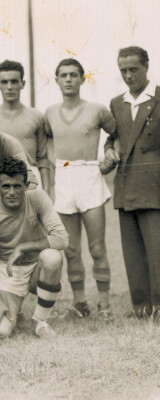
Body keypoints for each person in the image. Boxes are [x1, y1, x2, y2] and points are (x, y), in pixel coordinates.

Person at [45, 58, 116, 321]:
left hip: (89, 176)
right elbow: (47, 140)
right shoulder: (50, 112)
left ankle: (105, 304)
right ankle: (80, 304)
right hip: (64, 178)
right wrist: (54, 167)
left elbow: (115, 134)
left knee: (97, 248)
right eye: (63, 75)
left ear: (82, 79)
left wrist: (109, 153)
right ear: (56, 80)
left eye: (73, 75)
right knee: (71, 249)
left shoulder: (97, 109)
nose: (68, 79)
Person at [0, 157, 67, 337]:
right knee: (0, 332)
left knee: (53, 257)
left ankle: (40, 321)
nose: (12, 192)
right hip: (9, 272)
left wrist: (22, 248)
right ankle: (13, 308)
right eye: (6, 186)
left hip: (37, 268)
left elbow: (62, 239)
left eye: (17, 186)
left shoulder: (38, 197)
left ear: (25, 184)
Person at [104, 46, 160, 319]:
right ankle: (141, 307)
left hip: (154, 187)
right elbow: (111, 137)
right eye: (123, 70)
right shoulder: (117, 103)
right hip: (125, 187)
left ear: (147, 67)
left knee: (157, 250)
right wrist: (108, 152)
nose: (128, 75)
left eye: (133, 69)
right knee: (133, 253)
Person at [0, 60, 50, 192]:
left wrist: (46, 190)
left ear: (22, 84)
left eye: (14, 81)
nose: (9, 87)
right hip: (0, 180)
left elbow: (42, 158)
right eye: (4, 82)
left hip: (29, 180)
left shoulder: (37, 116)